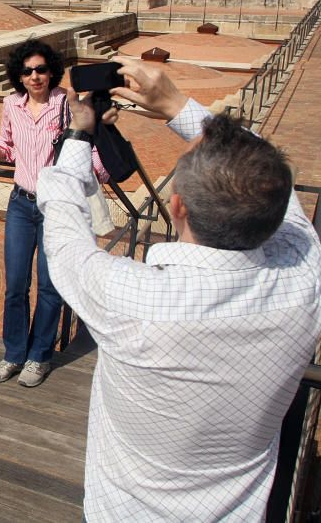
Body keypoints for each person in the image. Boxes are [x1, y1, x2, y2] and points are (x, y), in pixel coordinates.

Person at [38, 55, 321, 521]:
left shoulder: (129, 297)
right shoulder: (303, 274)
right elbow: (276, 184)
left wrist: (79, 133)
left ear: (178, 207)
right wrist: (174, 103)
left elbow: (64, 219)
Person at [0, 39, 108, 387]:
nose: (35, 76)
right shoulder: (11, 104)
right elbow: (7, 140)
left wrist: (99, 171)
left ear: (51, 71)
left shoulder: (67, 102)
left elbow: (85, 143)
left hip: (58, 209)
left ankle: (39, 357)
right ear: (19, 77)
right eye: (28, 71)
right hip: (21, 203)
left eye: (41, 70)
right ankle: (14, 354)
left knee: (50, 286)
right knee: (15, 285)